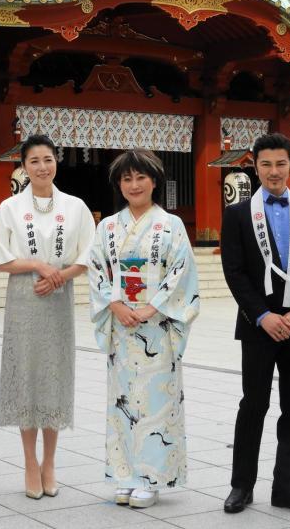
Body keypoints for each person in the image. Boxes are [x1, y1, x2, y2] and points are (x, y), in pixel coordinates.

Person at [220, 133, 290, 516]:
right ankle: (241, 486)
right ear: (255, 166)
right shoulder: (237, 215)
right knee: (253, 404)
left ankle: (287, 487)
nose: (273, 171)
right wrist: (263, 315)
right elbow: (234, 271)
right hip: (258, 325)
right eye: (265, 164)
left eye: (280, 163)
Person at [88, 149, 200, 509]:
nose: (133, 185)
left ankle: (151, 478)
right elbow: (96, 270)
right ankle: (124, 475)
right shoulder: (106, 228)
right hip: (121, 328)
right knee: (121, 404)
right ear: (118, 185)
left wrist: (154, 306)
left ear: (155, 181)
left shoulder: (171, 226)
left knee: (156, 403)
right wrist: (117, 305)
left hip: (157, 327)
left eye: (141, 177)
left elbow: (182, 271)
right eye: (126, 179)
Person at [0, 134, 95, 499]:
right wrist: (36, 264)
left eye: (48, 159)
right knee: (26, 377)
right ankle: (29, 462)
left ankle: (50, 461)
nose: (42, 167)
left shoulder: (75, 206)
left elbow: (88, 256)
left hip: (59, 299)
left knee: (53, 378)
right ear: (24, 166)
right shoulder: (10, 208)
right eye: (34, 161)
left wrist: (60, 276)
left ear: (56, 162)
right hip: (24, 298)